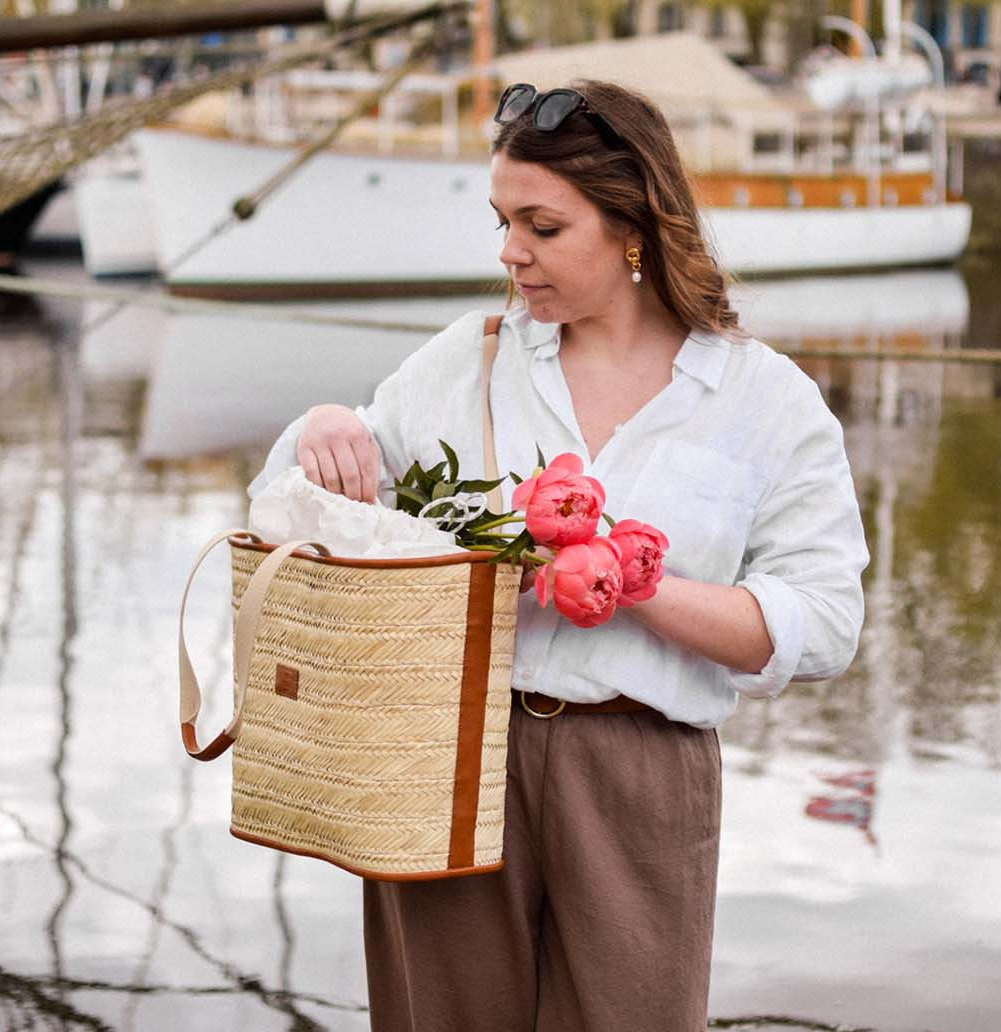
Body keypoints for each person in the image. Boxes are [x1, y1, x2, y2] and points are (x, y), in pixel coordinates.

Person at [251, 79, 868, 1032]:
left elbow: (823, 626)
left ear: (634, 226)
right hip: (449, 751)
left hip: (639, 772)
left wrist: (633, 583)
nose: (510, 254)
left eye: (541, 226)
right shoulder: (472, 358)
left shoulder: (766, 402)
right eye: (502, 221)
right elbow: (300, 509)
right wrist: (324, 429)